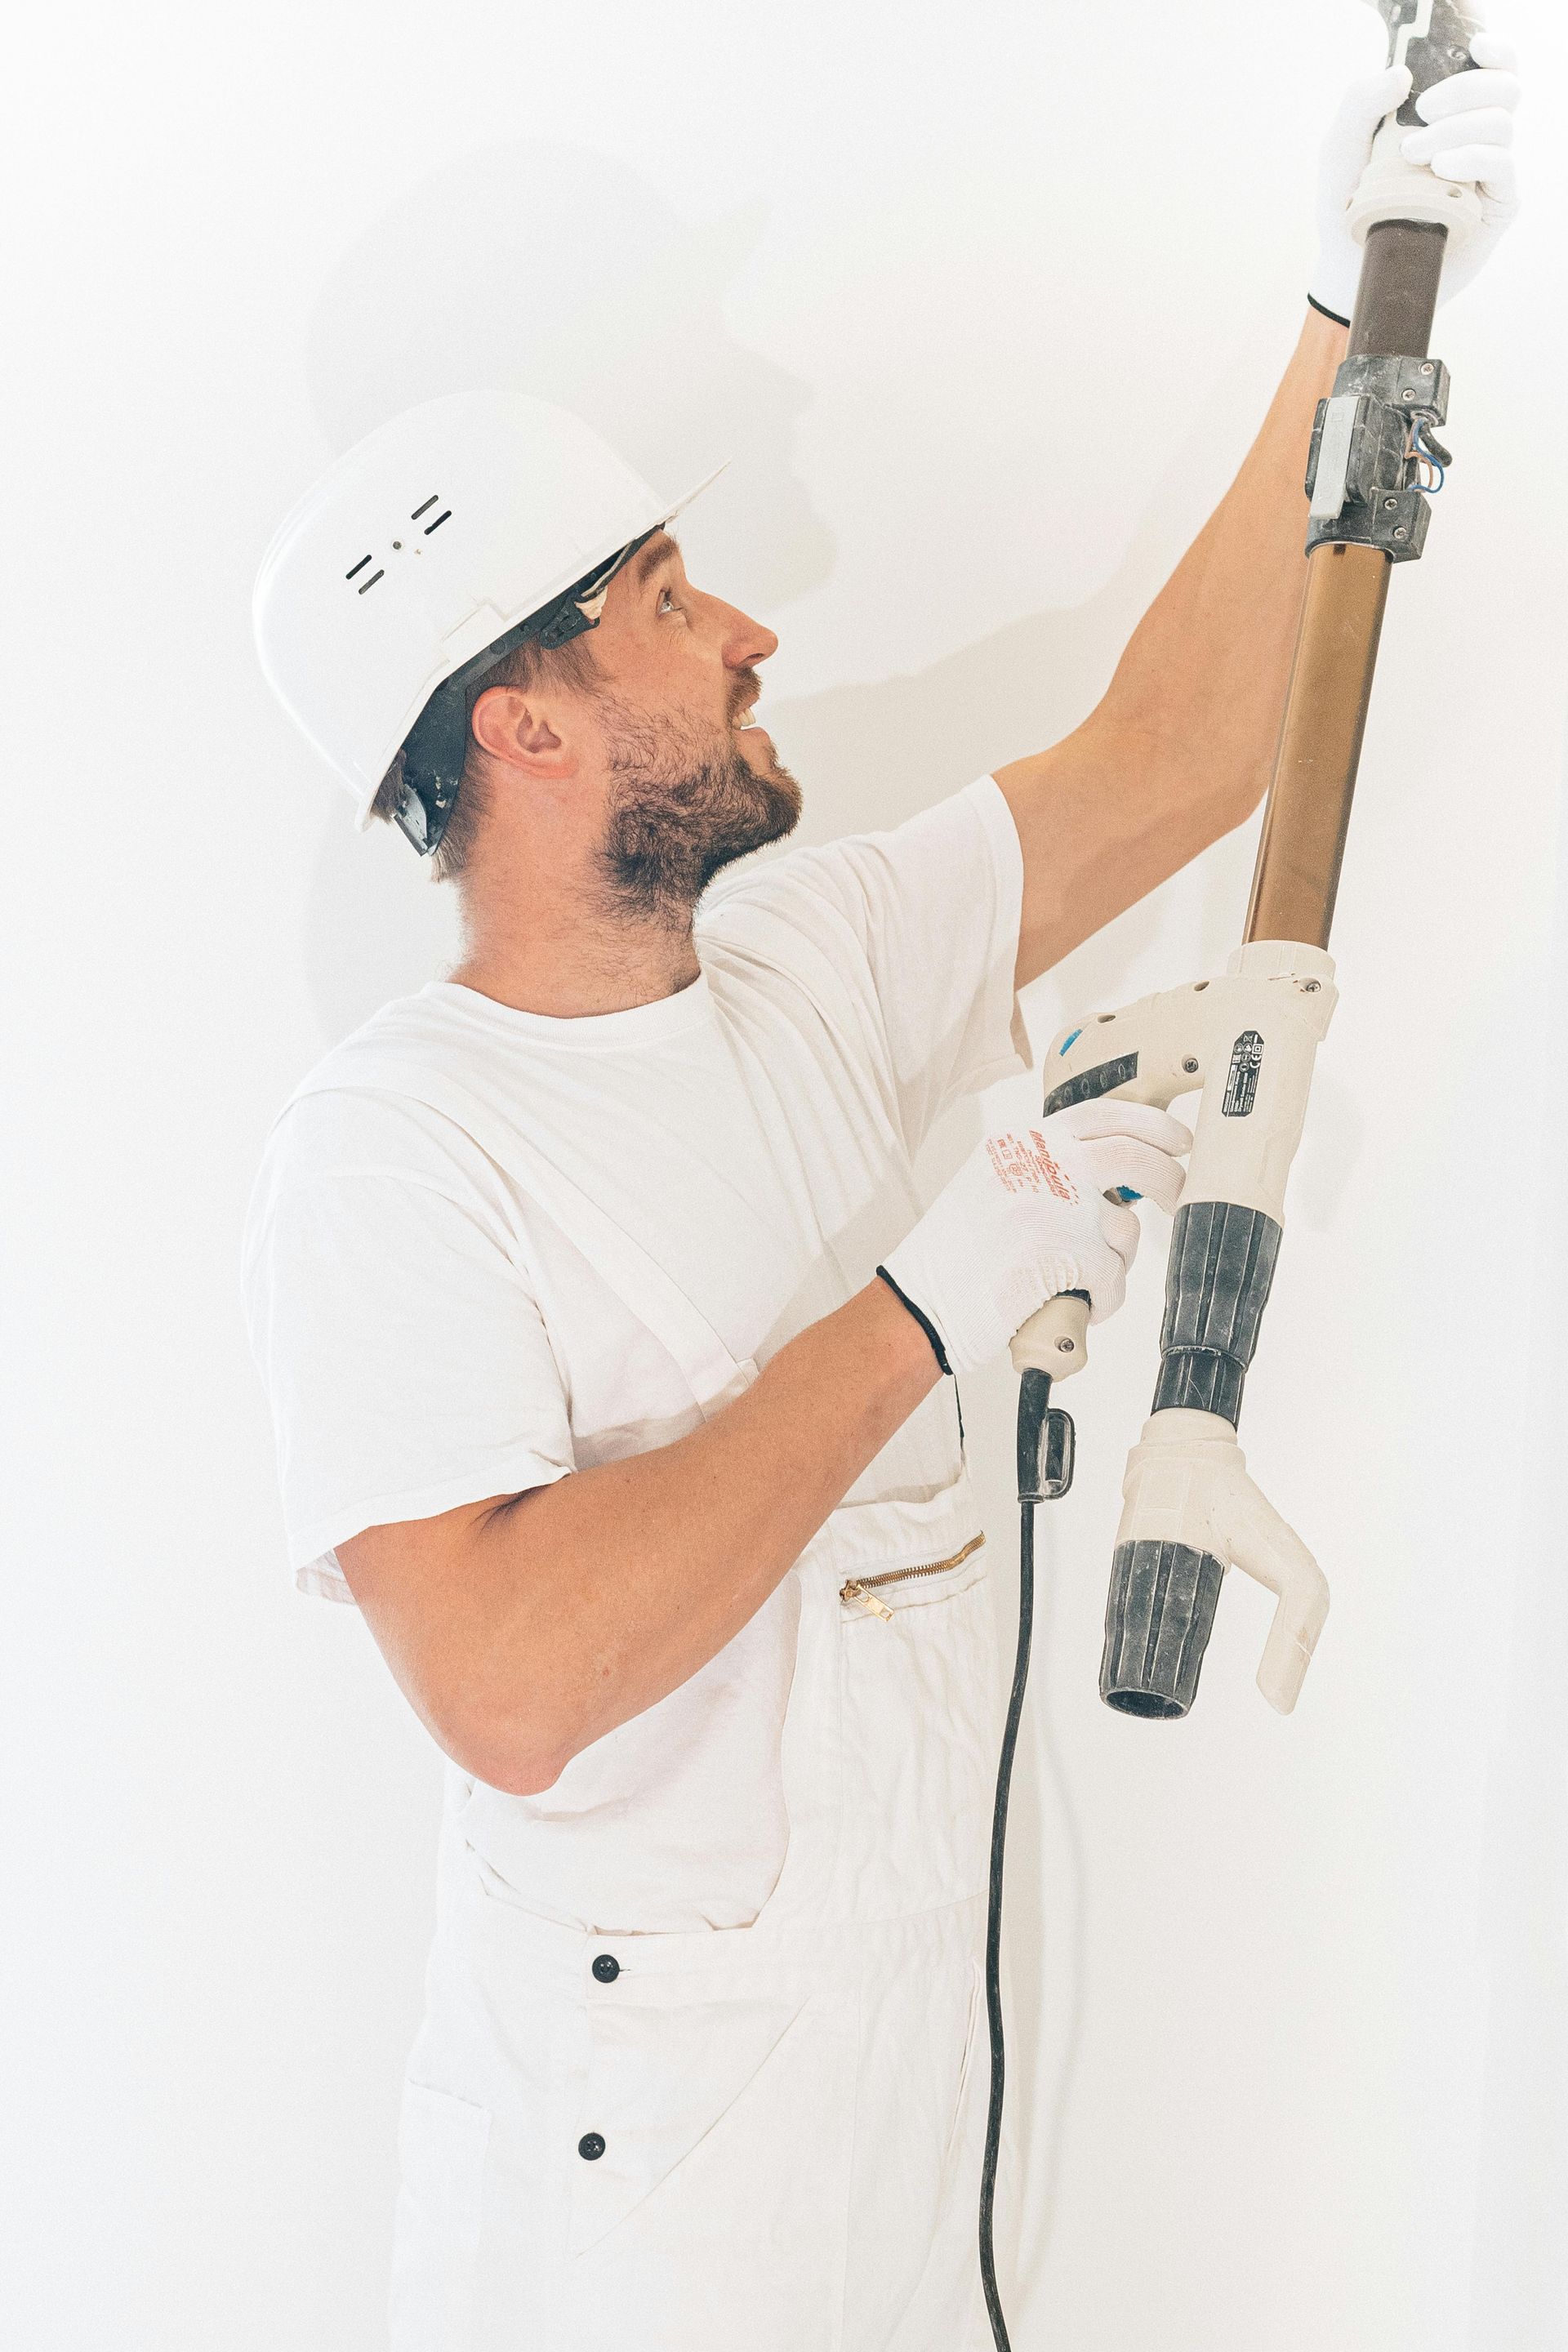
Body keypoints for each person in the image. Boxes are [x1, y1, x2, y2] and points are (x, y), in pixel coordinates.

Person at [242, 44, 1521, 2352]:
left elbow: (1175, 754)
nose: (747, 628)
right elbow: (508, 1689)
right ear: (523, 724)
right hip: (626, 2241)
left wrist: (1349, 308)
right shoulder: (398, 1146)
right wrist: (930, 1302)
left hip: (912, 2154)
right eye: (663, 600)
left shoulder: (813, 966)